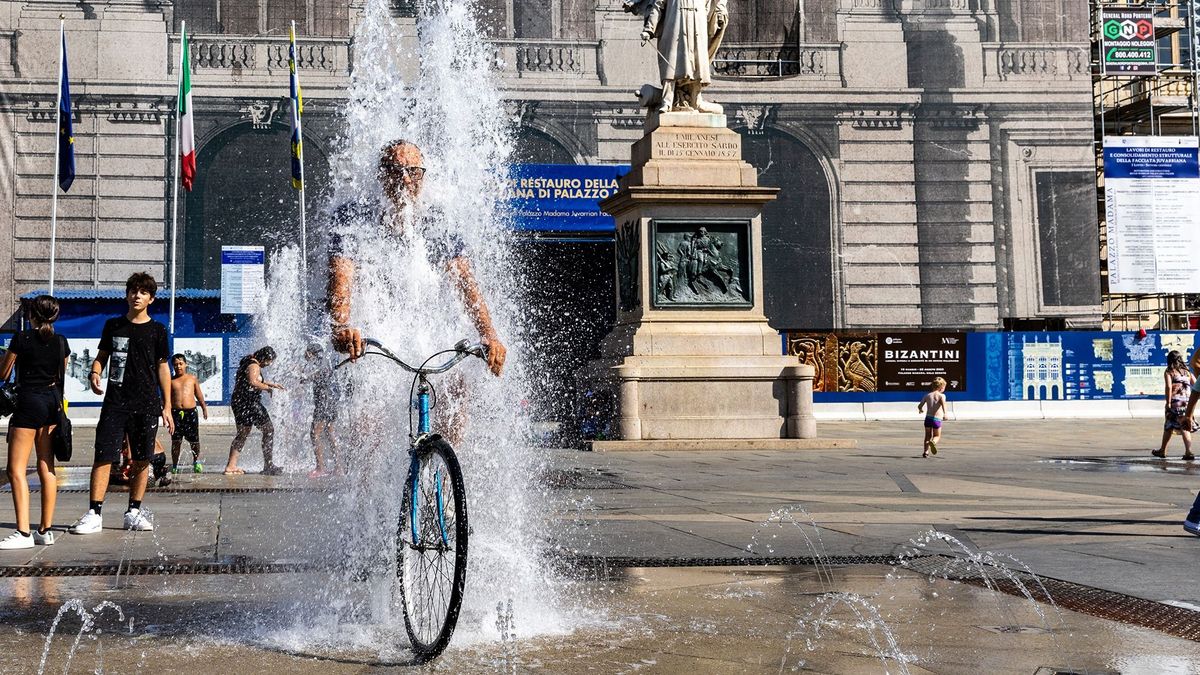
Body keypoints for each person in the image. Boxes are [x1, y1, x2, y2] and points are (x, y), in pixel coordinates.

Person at [327, 139, 507, 390]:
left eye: (413, 171)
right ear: (381, 175)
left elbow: (465, 280)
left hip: (427, 335)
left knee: (455, 390)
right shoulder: (354, 218)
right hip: (380, 336)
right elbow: (341, 281)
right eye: (395, 171)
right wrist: (343, 328)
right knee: (368, 409)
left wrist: (489, 335)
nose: (405, 180)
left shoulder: (438, 222)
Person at [69, 273, 174, 535]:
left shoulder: (158, 330)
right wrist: (94, 373)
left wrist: (167, 405)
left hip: (147, 403)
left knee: (142, 460)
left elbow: (163, 368)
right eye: (133, 291)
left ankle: (134, 511)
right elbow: (101, 357)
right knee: (103, 456)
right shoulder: (113, 325)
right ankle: (94, 513)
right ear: (127, 294)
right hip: (115, 402)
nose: (137, 296)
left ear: (151, 298)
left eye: (143, 292)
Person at [0, 296, 67, 550]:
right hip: (51, 403)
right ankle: (45, 530)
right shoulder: (61, 342)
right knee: (46, 467)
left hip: (28, 403)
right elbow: (60, 374)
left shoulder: (22, 338)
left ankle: (23, 532)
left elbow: (3, 373)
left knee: (16, 470)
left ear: (33, 315)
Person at [224, 346, 284, 476]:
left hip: (240, 403)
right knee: (269, 430)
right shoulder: (254, 365)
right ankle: (268, 465)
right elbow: (253, 382)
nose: (269, 364)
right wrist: (268, 388)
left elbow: (254, 379)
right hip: (250, 404)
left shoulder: (249, 362)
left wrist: (271, 383)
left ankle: (231, 466)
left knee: (242, 434)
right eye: (269, 361)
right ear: (264, 358)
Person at [304, 343, 349, 478]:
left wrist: (306, 377)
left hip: (324, 402)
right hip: (330, 401)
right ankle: (338, 468)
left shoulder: (321, 361)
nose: (305, 355)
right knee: (330, 434)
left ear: (311, 353)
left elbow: (323, 372)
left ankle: (320, 468)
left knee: (315, 433)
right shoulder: (324, 360)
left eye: (306, 353)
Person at [169, 353, 208, 474]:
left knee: (194, 440)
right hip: (175, 413)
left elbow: (199, 395)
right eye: (175, 365)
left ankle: (196, 462)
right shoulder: (171, 381)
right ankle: (175, 465)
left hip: (190, 413)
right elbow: (166, 399)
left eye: (180, 364)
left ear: (186, 364)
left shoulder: (192, 378)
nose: (178, 367)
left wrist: (204, 408)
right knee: (176, 441)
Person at [1154, 350, 1196, 461]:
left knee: (1176, 426)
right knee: (1174, 425)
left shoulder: (1169, 371)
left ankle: (1185, 451)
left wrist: (1167, 403)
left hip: (1175, 403)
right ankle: (1166, 450)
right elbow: (1195, 384)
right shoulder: (1187, 372)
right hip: (1187, 403)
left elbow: (1168, 387)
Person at [917, 377, 947, 458]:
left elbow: (920, 405)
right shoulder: (942, 396)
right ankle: (933, 442)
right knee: (937, 436)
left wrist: (920, 409)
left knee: (927, 436)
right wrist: (945, 414)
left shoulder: (927, 395)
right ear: (941, 387)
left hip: (928, 419)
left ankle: (925, 452)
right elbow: (944, 405)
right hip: (936, 419)